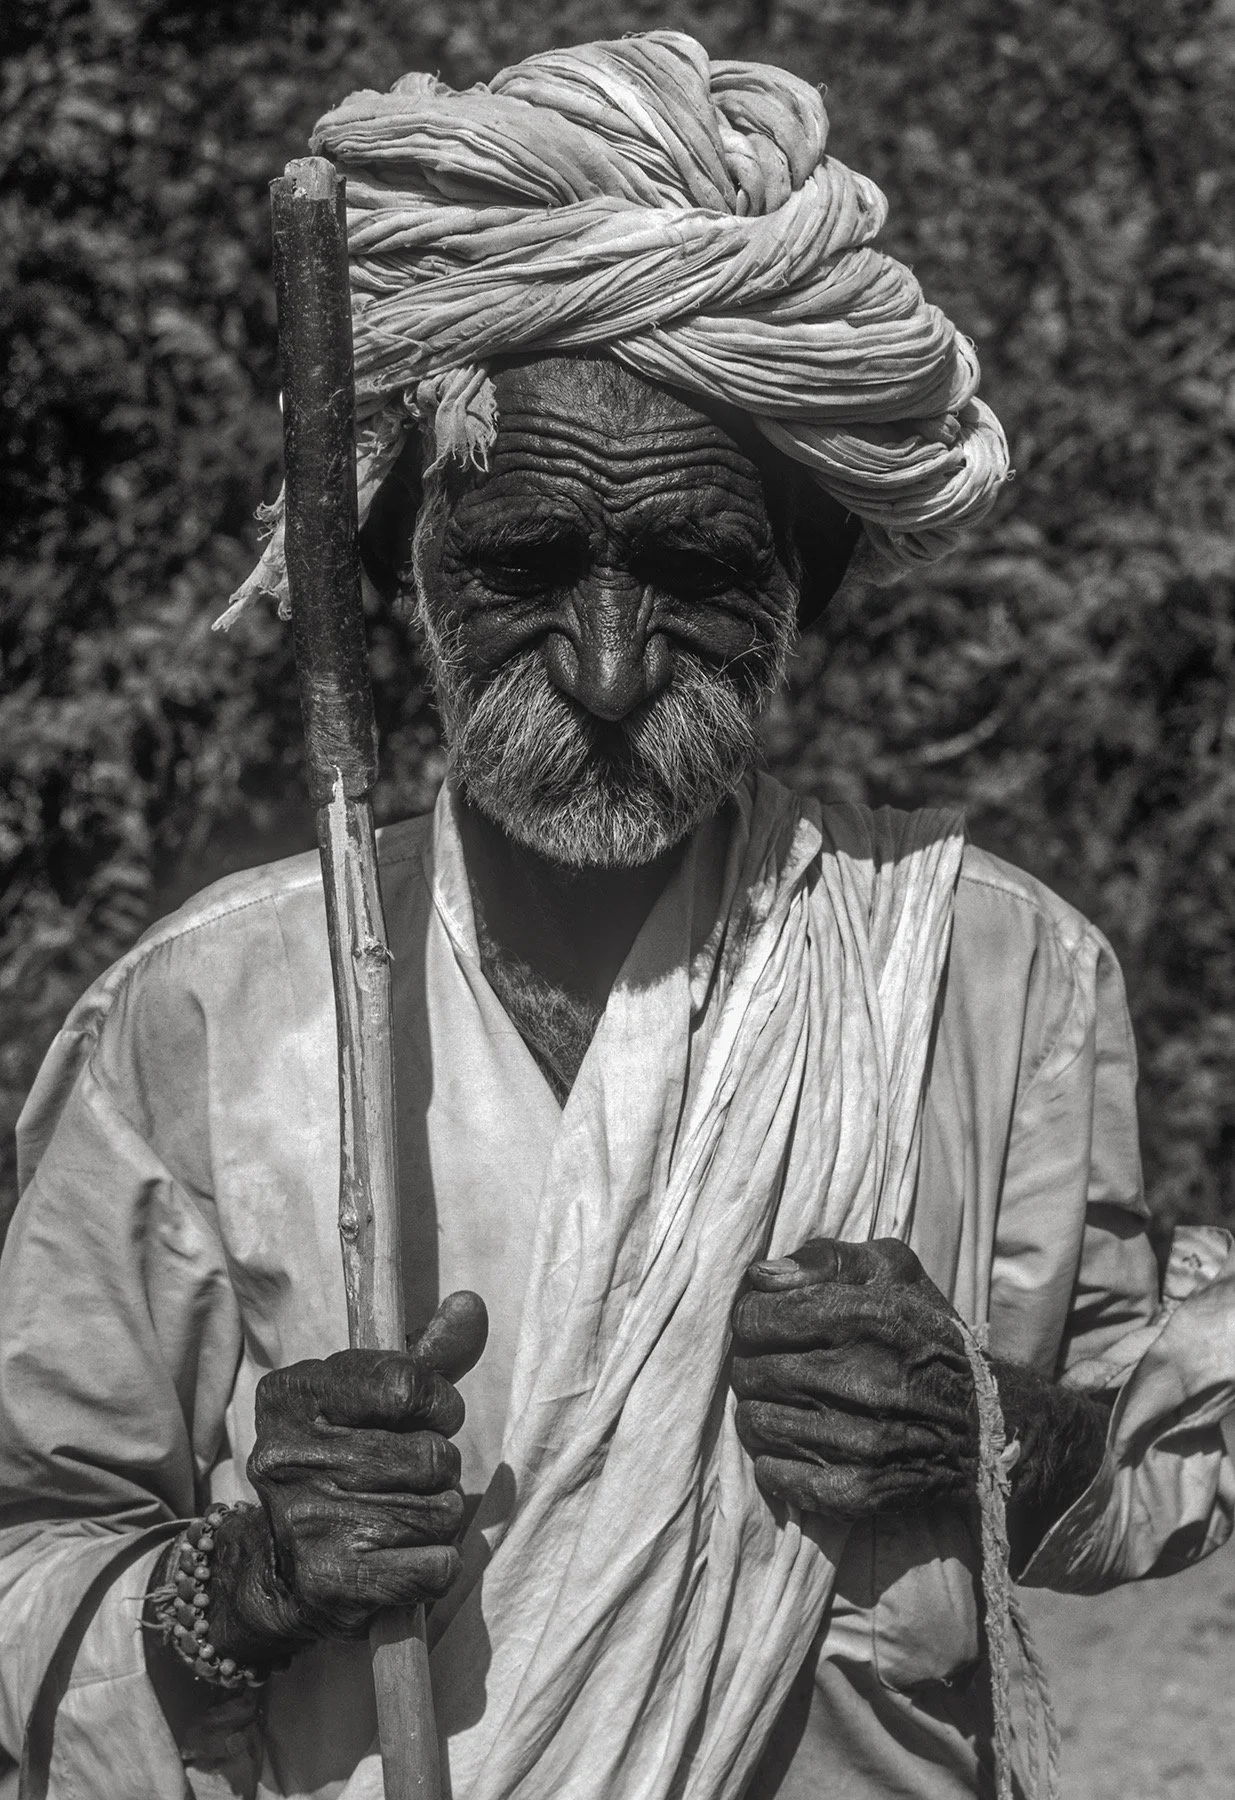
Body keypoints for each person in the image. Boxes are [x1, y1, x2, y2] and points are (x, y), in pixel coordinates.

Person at [2, 32, 1233, 1800]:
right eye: (518, 569)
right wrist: (239, 1586)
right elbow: (30, 1561)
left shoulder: (989, 976)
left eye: (690, 575)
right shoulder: (208, 1023)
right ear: (392, 563)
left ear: (797, 582)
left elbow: (1165, 1458)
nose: (601, 670)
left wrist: (998, 1435)